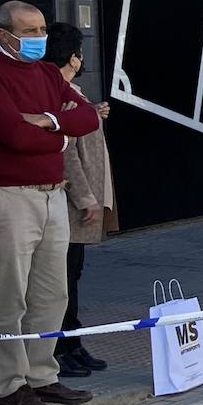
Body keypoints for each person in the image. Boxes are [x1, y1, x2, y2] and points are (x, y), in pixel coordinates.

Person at [0, 1, 99, 405]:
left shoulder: (48, 73)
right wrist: (63, 133)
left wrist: (48, 122)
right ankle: (9, 386)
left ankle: (42, 375)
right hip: (9, 197)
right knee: (8, 295)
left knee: (52, 293)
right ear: (4, 35)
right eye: (29, 31)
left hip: (53, 194)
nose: (39, 37)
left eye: (42, 29)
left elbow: (89, 117)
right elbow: (13, 135)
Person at [44, 23, 117, 377]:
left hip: (78, 200)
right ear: (73, 57)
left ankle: (72, 343)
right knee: (63, 279)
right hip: (72, 203)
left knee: (71, 275)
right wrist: (86, 197)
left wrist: (94, 113)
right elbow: (67, 154)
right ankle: (61, 347)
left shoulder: (71, 92)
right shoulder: (62, 94)